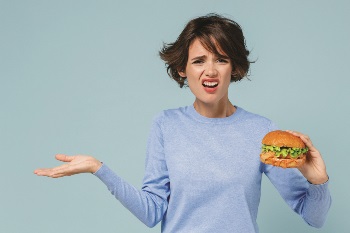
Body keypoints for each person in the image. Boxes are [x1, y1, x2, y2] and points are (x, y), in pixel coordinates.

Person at [34, 13, 331, 233]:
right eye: (199, 61)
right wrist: (99, 169)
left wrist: (318, 180)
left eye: (222, 59)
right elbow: (152, 212)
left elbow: (314, 217)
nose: (210, 71)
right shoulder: (166, 124)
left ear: (235, 68)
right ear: (181, 70)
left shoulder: (261, 130)